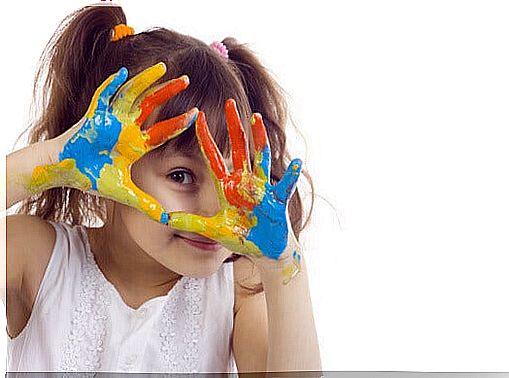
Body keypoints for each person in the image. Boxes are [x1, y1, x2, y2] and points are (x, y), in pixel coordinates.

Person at [3, 4, 321, 374]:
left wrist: (284, 266)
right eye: (181, 176)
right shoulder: (35, 256)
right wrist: (53, 158)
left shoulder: (237, 287)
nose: (211, 208)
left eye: (229, 178)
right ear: (107, 165)